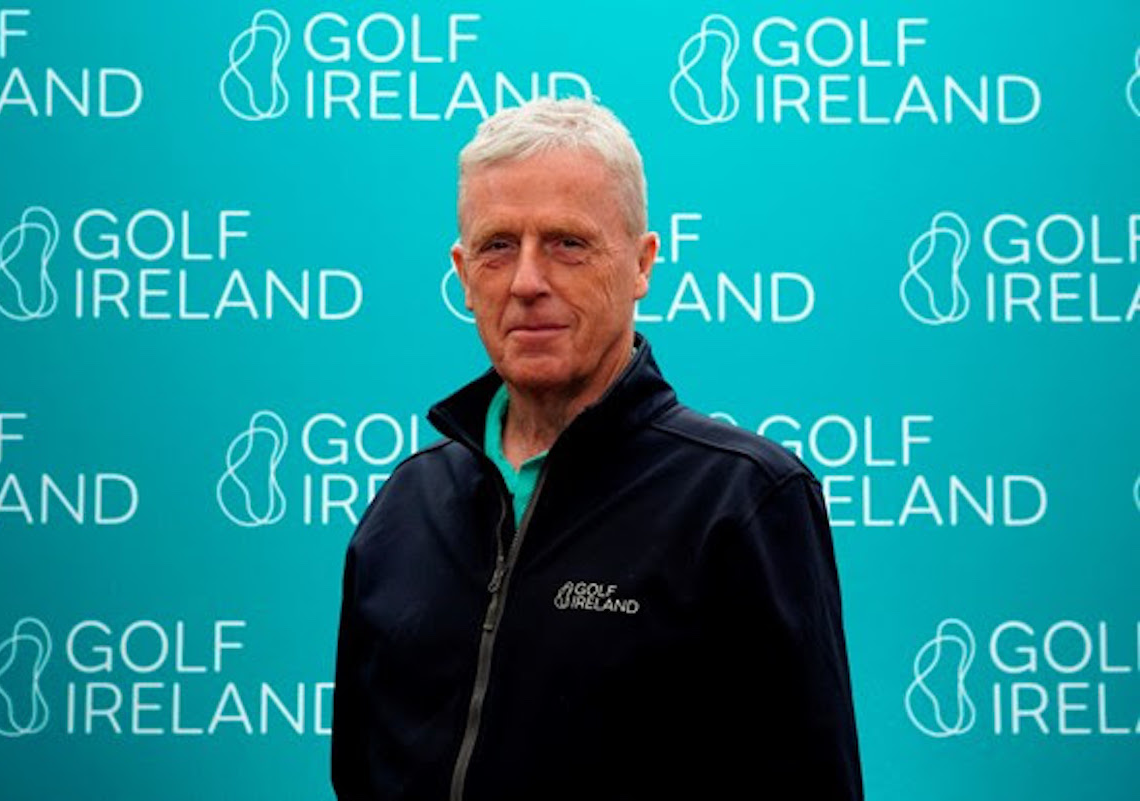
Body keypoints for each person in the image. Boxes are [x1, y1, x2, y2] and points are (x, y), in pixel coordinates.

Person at [331, 97, 863, 800]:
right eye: (498, 246)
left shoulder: (742, 500)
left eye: (567, 243)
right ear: (463, 272)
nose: (527, 281)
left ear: (642, 264)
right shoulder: (406, 505)